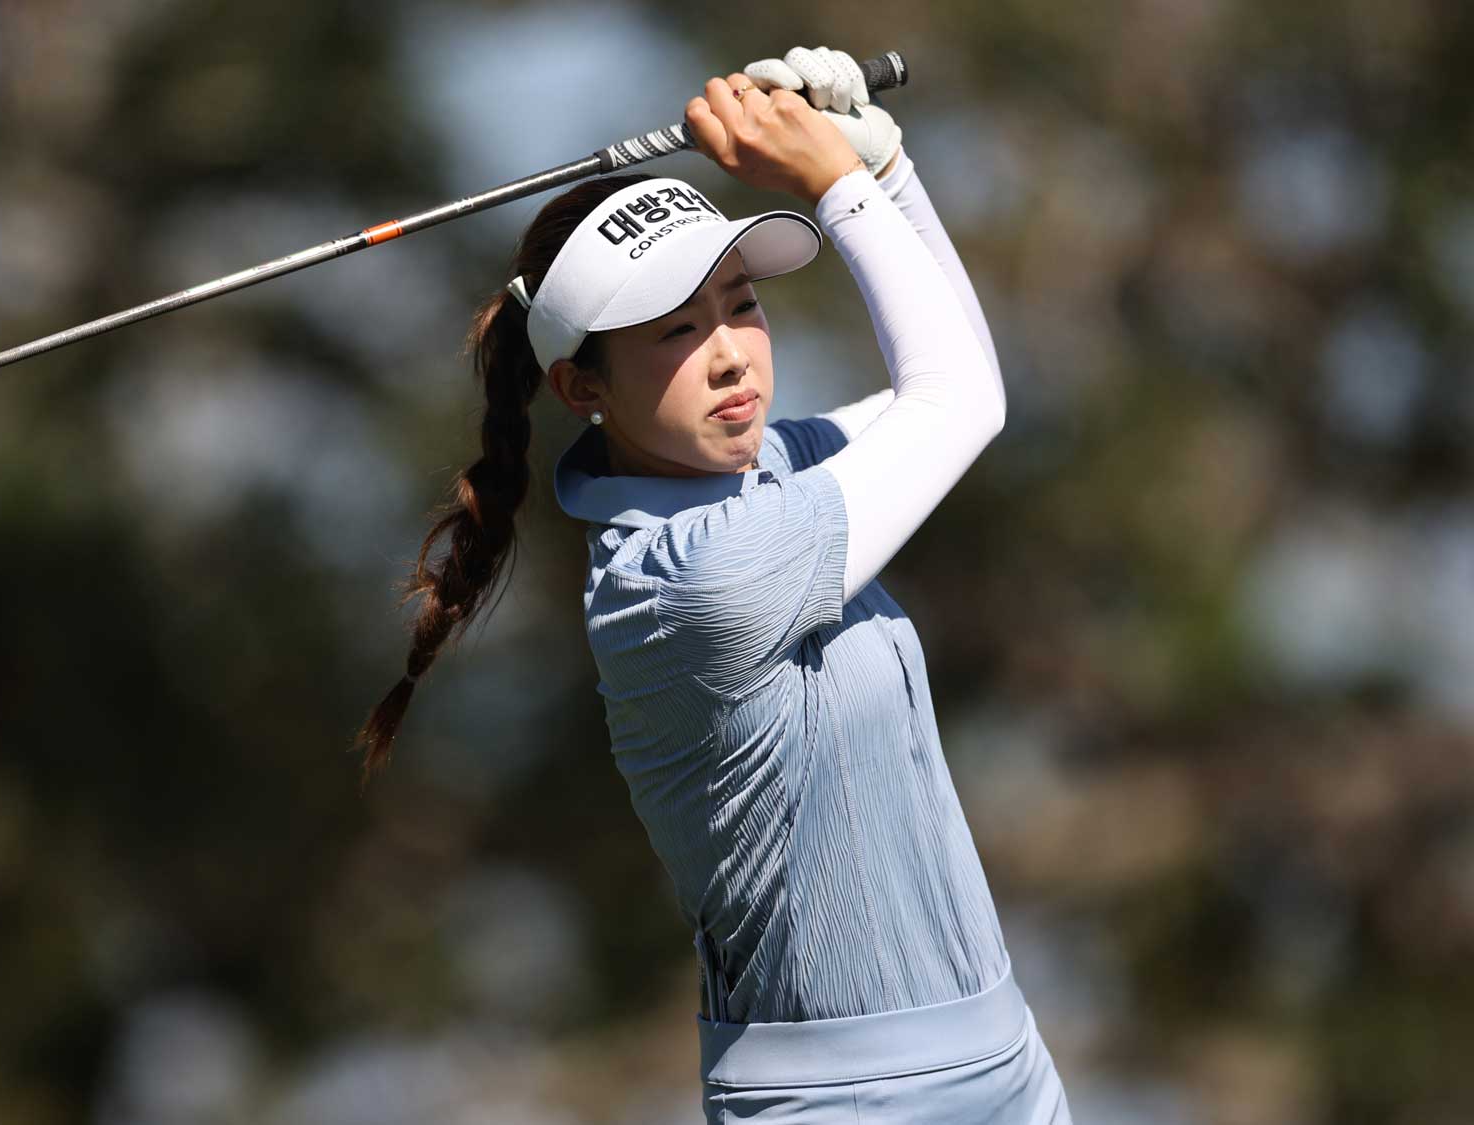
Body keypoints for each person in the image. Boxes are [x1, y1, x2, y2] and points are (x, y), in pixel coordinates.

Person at [355, 45, 1071, 1124]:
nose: (731, 353)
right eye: (677, 330)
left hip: (1005, 1066)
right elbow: (958, 402)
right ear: (579, 385)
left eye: (741, 305)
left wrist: (884, 175)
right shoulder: (687, 583)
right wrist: (834, 187)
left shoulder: (775, 473)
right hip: (843, 1108)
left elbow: (963, 381)